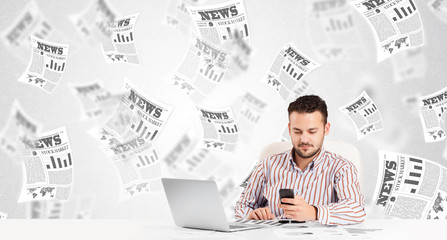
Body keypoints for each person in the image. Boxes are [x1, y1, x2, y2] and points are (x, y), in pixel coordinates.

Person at [235, 95, 366, 225]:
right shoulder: (267, 166)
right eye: (297, 131)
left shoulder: (342, 168)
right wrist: (250, 216)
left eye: (312, 131)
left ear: (326, 129)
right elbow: (242, 207)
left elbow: (357, 210)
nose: (304, 139)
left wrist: (314, 212)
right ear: (289, 130)